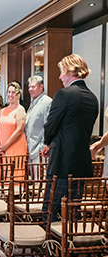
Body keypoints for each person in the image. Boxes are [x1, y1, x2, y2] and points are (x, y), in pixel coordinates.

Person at [42, 54, 98, 222]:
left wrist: (49, 142)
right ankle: (70, 247)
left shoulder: (63, 95)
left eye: (62, 73)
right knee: (73, 211)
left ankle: (49, 246)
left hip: (61, 164)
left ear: (71, 71)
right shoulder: (93, 98)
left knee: (50, 210)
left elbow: (50, 127)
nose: (60, 77)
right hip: (81, 164)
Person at [26, 76, 52, 178]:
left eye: (33, 86)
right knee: (34, 182)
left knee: (41, 184)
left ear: (41, 87)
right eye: (29, 87)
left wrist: (43, 145)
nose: (30, 89)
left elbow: (48, 125)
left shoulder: (46, 102)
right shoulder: (33, 102)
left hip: (40, 150)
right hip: (31, 148)